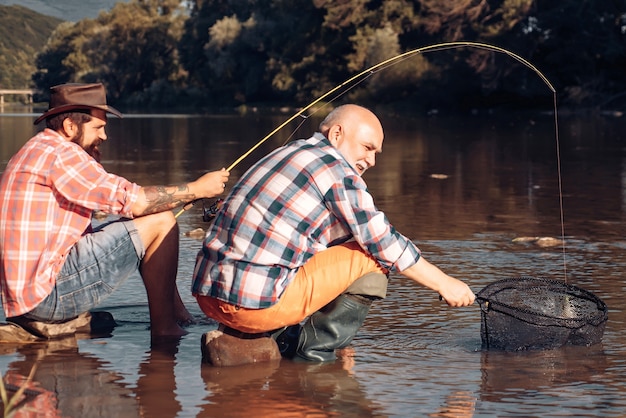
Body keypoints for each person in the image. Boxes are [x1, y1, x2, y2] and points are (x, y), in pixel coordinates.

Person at [192, 104, 475, 364]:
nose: (372, 160)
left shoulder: (291, 152)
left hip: (208, 295)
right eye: (367, 147)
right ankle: (311, 355)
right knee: (372, 258)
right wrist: (444, 283)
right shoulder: (336, 171)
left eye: (376, 152)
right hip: (248, 305)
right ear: (337, 134)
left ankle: (249, 341)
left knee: (345, 247)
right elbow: (383, 241)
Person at [0, 83, 229, 338]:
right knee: (161, 221)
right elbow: (137, 201)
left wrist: (172, 200)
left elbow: (133, 207)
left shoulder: (36, 149)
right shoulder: (62, 154)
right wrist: (198, 188)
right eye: (98, 127)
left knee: (151, 220)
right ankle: (166, 332)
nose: (105, 136)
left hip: (24, 300)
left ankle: (179, 316)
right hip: (45, 297)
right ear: (70, 127)